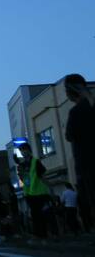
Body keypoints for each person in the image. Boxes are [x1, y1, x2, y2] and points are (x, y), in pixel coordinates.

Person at [64, 73, 95, 228]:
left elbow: (69, 135)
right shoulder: (91, 105)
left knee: (90, 200)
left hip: (85, 163)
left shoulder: (75, 112)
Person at [16, 142, 49, 242]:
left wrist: (50, 189)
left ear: (29, 151)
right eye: (21, 150)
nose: (23, 152)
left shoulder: (35, 162)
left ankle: (43, 236)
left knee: (39, 214)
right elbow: (23, 179)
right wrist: (20, 173)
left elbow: (43, 176)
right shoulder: (22, 164)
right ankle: (38, 235)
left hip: (39, 192)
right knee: (34, 215)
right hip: (29, 193)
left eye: (24, 150)